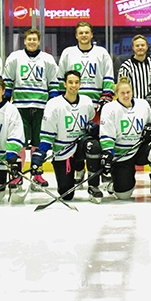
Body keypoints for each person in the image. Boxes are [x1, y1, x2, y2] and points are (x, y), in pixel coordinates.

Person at [100, 78, 151, 202]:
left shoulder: (142, 104)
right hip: (121, 155)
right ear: (116, 94)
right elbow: (107, 135)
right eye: (122, 93)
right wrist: (108, 153)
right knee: (123, 195)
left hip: (139, 149)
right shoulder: (109, 108)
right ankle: (116, 180)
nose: (126, 95)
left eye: (128, 92)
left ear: (132, 92)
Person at [4, 28, 58, 189]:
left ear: (39, 41)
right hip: (20, 106)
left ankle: (37, 174)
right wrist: (6, 104)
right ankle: (17, 174)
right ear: (24, 41)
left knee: (38, 142)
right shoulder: (15, 58)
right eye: (29, 39)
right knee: (18, 142)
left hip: (41, 107)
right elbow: (7, 82)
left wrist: (53, 105)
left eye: (35, 39)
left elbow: (53, 84)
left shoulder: (47, 59)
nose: (32, 42)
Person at [37, 70, 102, 202]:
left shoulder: (86, 102)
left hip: (80, 145)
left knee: (93, 145)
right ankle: (75, 168)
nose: (74, 85)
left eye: (77, 82)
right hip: (63, 150)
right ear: (64, 84)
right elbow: (47, 135)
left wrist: (93, 128)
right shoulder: (54, 104)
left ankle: (93, 186)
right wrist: (39, 155)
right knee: (66, 194)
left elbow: (90, 124)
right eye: (70, 82)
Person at [56, 21, 115, 112]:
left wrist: (105, 99)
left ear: (91, 35)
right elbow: (61, 79)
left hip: (97, 105)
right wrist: (63, 100)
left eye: (86, 32)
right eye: (81, 33)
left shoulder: (102, 53)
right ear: (76, 35)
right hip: (72, 104)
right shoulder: (68, 53)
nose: (84, 35)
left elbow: (108, 78)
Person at [119, 34, 151, 114]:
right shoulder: (126, 67)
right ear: (133, 48)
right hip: (133, 108)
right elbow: (121, 88)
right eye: (137, 45)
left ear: (147, 46)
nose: (140, 47)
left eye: (142, 45)